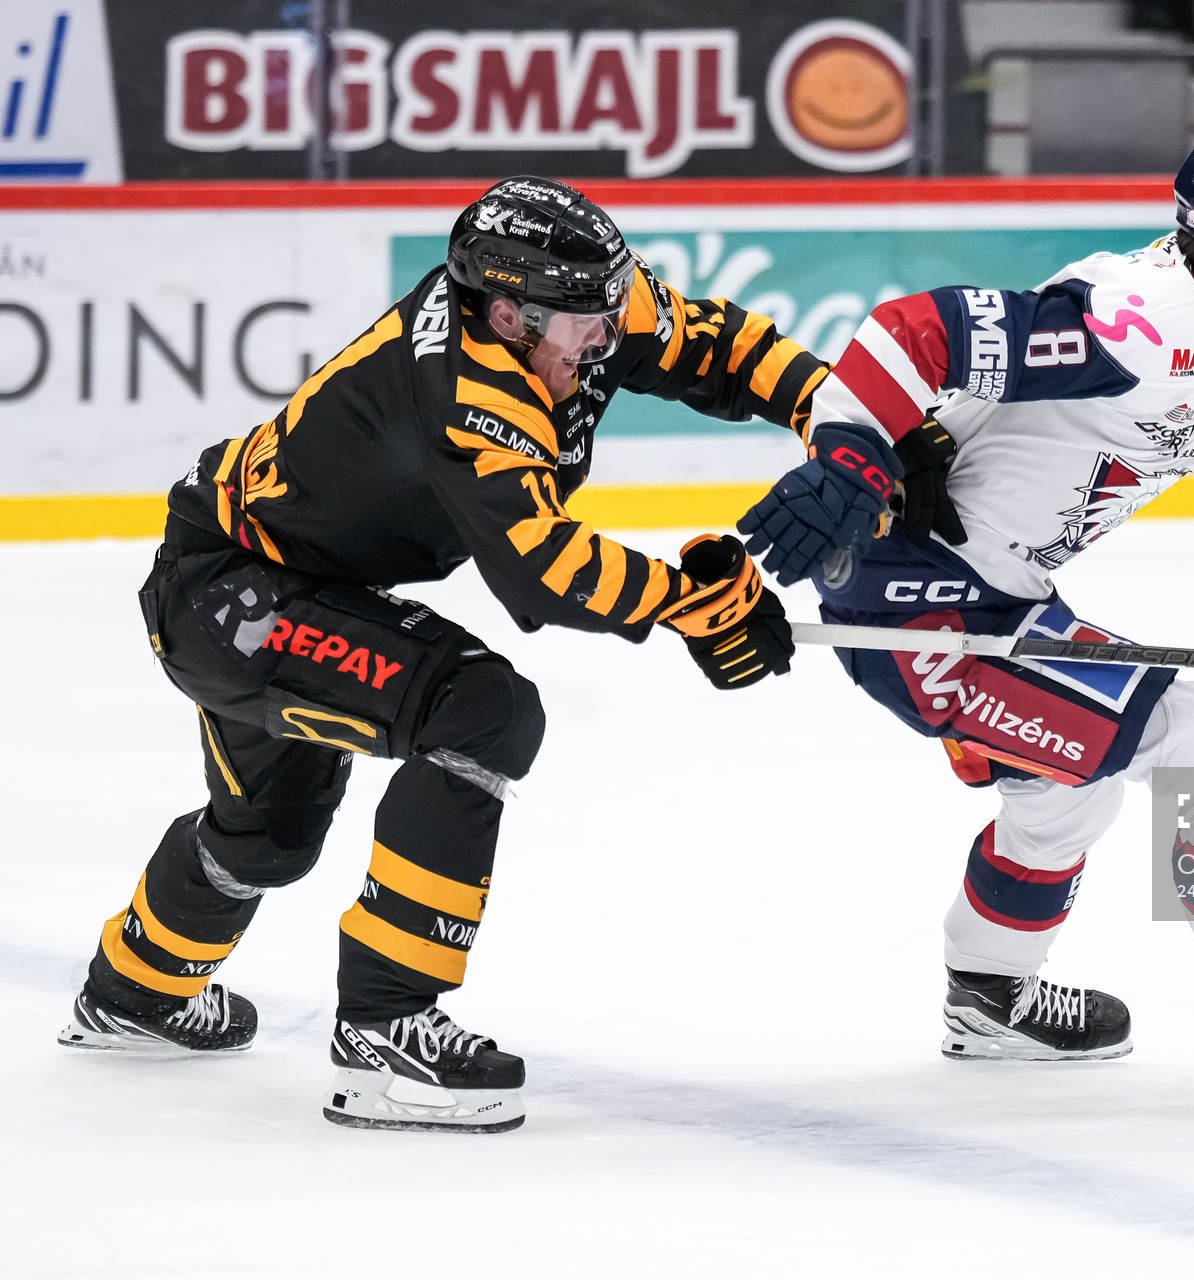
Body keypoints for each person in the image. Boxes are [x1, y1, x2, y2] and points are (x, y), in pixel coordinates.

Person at [739, 121, 1194, 1105]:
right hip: (920, 609)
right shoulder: (1137, 324)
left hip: (1000, 594)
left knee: (1065, 790)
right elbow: (915, 330)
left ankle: (990, 994)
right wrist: (846, 453)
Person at [58, 176, 814, 1133]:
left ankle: (131, 998)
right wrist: (686, 602)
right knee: (481, 711)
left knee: (268, 834)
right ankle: (385, 1028)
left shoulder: (573, 306)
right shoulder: (467, 392)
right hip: (236, 600)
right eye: (588, 319)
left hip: (271, 579)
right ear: (508, 312)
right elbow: (541, 571)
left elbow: (713, 341)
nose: (612, 334)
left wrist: (842, 417)